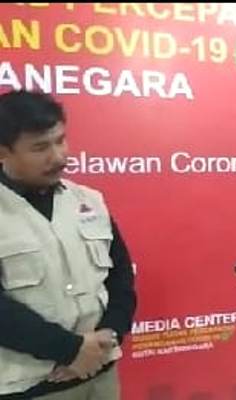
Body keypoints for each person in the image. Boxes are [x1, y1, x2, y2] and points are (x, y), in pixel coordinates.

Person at [0, 90, 137, 400]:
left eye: (60, 140)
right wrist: (71, 350)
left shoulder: (88, 200)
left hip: (102, 375)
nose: (58, 156)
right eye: (40, 147)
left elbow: (121, 277)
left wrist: (109, 334)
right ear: (3, 152)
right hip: (30, 387)